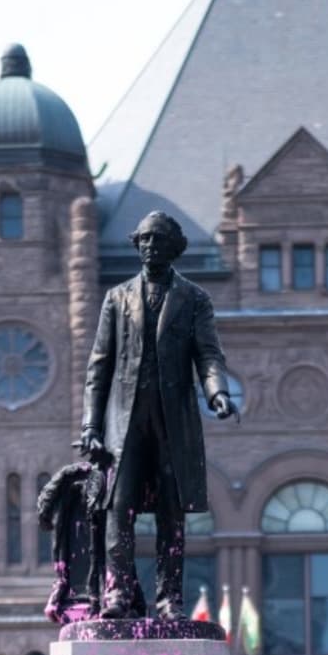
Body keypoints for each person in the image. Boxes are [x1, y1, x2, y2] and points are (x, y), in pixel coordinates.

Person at [79, 210, 238, 620]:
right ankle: (119, 592)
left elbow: (208, 355)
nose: (151, 246)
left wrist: (217, 393)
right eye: (145, 239)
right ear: (137, 244)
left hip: (173, 421)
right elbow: (100, 365)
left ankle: (170, 599)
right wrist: (91, 426)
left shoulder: (195, 299)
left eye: (159, 239)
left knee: (171, 510)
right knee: (120, 506)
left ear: (174, 248)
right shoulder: (116, 298)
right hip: (123, 421)